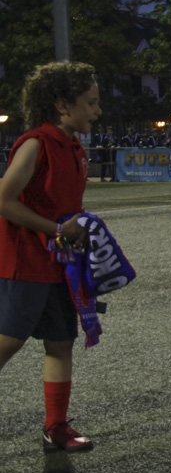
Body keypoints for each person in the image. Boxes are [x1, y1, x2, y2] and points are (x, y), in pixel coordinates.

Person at [0, 61, 100, 451]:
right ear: (62, 104)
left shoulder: (73, 145)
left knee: (60, 344)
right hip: (24, 262)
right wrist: (58, 230)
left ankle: (55, 428)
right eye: (90, 103)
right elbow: (4, 202)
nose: (97, 111)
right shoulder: (35, 143)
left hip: (59, 266)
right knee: (7, 343)